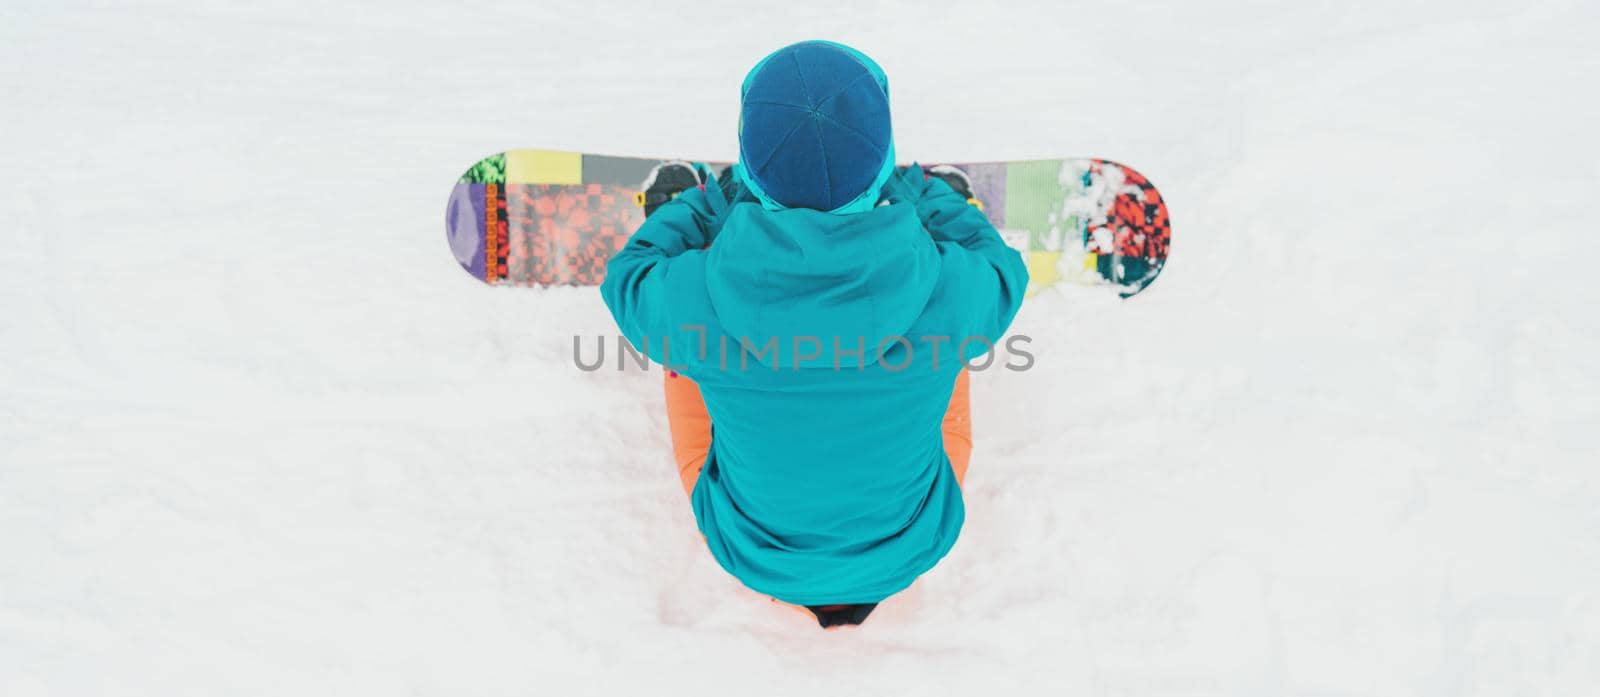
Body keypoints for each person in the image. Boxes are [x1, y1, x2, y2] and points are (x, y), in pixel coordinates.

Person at [600, 40, 1028, 628]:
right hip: (910, 542)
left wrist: (706, 207)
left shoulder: (692, 296)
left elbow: (628, 277)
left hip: (752, 549)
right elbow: (1002, 267)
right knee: (951, 346)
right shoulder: (951, 288)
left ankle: (704, 217)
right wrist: (927, 198)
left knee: (682, 350)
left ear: (751, 165)